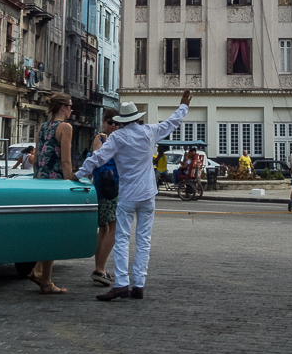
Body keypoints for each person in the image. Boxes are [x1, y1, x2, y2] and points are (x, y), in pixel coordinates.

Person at [79, 90, 191, 301]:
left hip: (128, 194)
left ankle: (122, 283)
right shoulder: (149, 131)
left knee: (122, 238)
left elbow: (98, 157)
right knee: (143, 240)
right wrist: (183, 106)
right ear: (137, 118)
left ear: (121, 120)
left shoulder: (118, 137)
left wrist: (78, 173)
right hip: (148, 194)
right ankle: (139, 284)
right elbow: (172, 122)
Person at [30, 94, 75, 294]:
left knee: (46, 230)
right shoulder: (65, 128)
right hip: (56, 183)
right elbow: (65, 161)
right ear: (63, 107)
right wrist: (71, 180)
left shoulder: (43, 127)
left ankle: (41, 273)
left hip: (41, 180)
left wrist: (38, 177)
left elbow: (38, 156)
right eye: (70, 107)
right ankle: (44, 278)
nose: (72, 110)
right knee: (54, 232)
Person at [90, 110, 120, 287]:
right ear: (103, 122)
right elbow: (98, 159)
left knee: (105, 228)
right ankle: (99, 268)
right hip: (106, 187)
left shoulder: (117, 138)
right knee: (109, 227)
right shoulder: (100, 139)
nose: (113, 126)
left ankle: (99, 268)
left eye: (116, 123)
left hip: (114, 185)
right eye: (110, 122)